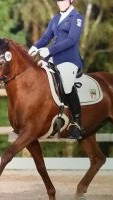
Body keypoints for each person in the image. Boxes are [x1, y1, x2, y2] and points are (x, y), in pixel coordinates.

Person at [28, 0, 84, 139]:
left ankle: (77, 123)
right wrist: (36, 46)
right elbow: (47, 36)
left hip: (69, 60)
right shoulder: (56, 18)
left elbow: (72, 40)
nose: (60, 2)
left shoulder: (76, 18)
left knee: (66, 86)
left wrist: (50, 50)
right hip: (53, 59)